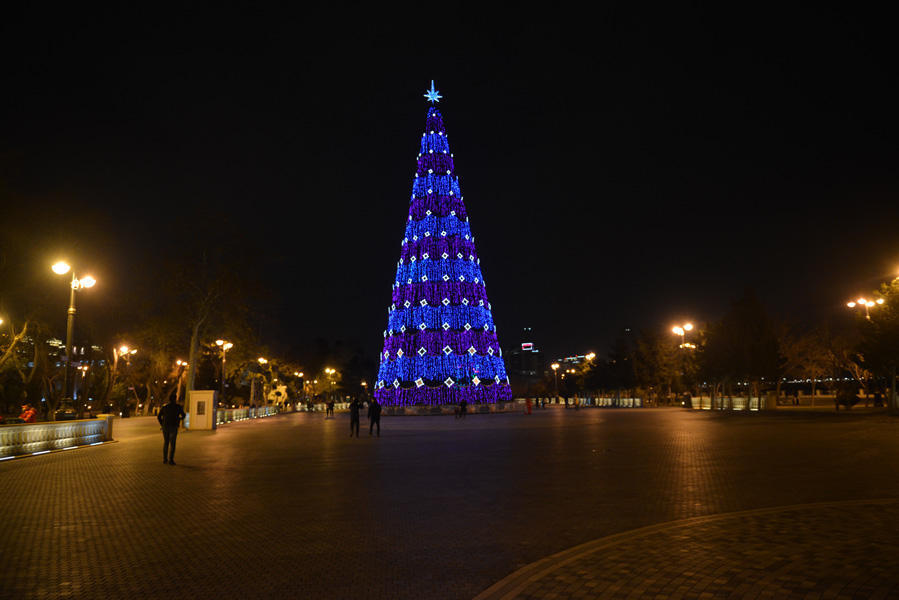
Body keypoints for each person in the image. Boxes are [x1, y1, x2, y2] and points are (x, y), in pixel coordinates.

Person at [157, 392, 186, 465]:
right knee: (172, 444)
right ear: (175, 399)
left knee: (166, 443)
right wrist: (179, 419)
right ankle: (171, 460)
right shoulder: (178, 407)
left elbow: (159, 416)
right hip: (174, 426)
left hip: (165, 426)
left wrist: (162, 424)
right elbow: (183, 415)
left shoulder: (165, 407)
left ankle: (165, 459)